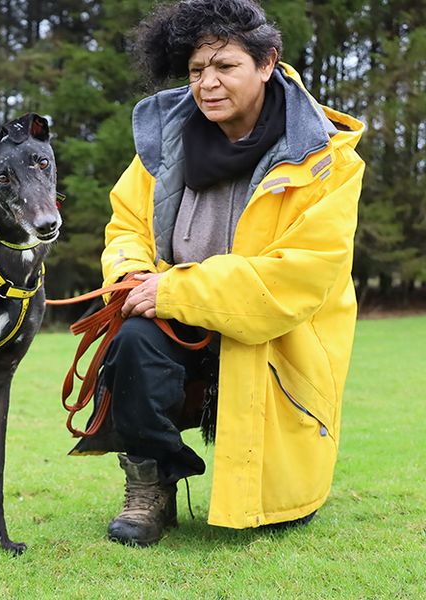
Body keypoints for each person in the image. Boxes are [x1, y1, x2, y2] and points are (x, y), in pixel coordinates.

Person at [69, 0, 365, 546]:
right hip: (171, 314)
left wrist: (178, 289)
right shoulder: (163, 139)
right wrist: (134, 276)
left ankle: (270, 490)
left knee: (279, 514)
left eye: (225, 66)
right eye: (196, 70)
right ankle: (150, 486)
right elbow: (127, 225)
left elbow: (300, 274)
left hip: (278, 339)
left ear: (267, 62)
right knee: (132, 342)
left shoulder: (329, 158)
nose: (207, 83)